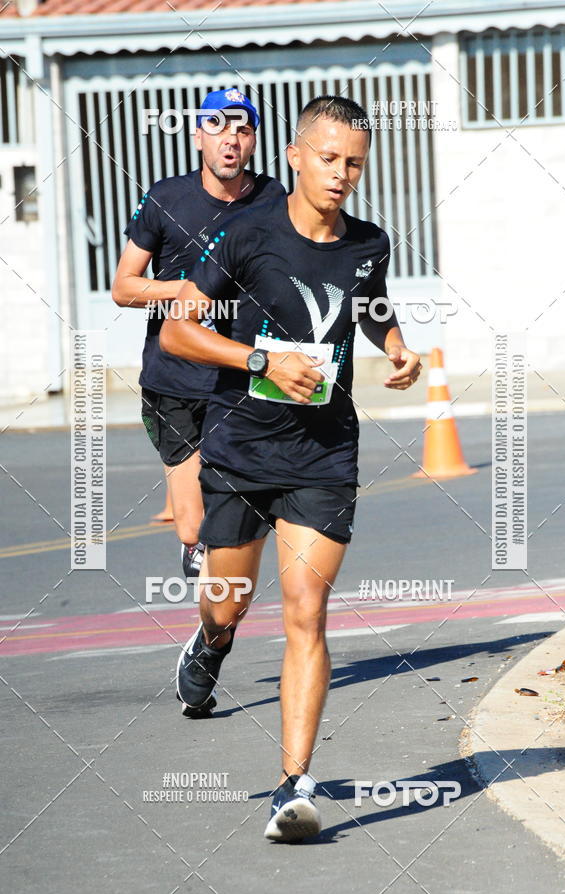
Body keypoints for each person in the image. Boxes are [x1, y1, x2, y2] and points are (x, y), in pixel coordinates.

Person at [160, 95, 422, 841]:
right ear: (297, 157)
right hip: (242, 450)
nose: (343, 176)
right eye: (331, 159)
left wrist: (397, 350)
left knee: (306, 611)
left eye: (356, 164)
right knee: (228, 603)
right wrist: (258, 357)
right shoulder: (244, 236)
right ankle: (210, 644)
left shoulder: (369, 242)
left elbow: (368, 305)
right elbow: (180, 332)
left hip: (324, 452)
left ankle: (293, 785)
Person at [112, 89, 285, 577]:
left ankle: (222, 617)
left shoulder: (274, 199)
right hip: (175, 383)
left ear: (252, 142)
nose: (230, 137)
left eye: (243, 129)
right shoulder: (166, 198)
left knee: (240, 516)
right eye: (218, 126)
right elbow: (124, 288)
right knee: (194, 528)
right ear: (197, 138)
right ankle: (210, 600)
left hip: (242, 375)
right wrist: (190, 291)